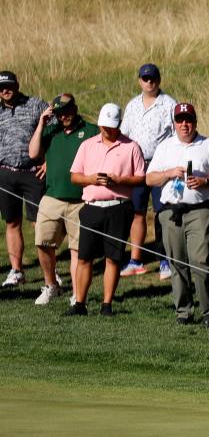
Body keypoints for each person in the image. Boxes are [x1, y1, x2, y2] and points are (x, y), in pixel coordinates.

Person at [146, 103, 209, 327]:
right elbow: (149, 179)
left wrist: (205, 181)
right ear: (174, 123)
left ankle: (208, 311)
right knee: (176, 263)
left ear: (195, 122)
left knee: (200, 261)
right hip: (171, 212)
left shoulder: (208, 144)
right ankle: (183, 311)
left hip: (200, 211)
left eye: (188, 120)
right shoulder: (165, 147)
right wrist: (168, 173)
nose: (185, 124)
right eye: (180, 120)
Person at [67, 103, 146, 317]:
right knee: (84, 257)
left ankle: (106, 304)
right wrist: (91, 179)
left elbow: (141, 178)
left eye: (112, 127)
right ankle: (80, 303)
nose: (108, 130)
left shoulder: (131, 146)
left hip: (118, 208)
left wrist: (119, 180)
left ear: (119, 125)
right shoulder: (87, 145)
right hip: (92, 208)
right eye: (104, 126)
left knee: (113, 257)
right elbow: (74, 176)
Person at [27, 94, 98, 306]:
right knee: (43, 242)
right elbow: (33, 153)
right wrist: (41, 123)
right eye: (60, 113)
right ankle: (51, 285)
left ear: (75, 108)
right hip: (52, 196)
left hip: (81, 199)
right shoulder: (51, 130)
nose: (64, 116)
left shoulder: (91, 130)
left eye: (67, 111)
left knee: (77, 249)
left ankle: (77, 295)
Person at [119, 63, 177, 280]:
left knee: (162, 213)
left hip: (159, 165)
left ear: (159, 80)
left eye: (152, 78)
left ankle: (166, 260)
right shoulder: (132, 105)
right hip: (136, 165)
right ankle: (135, 260)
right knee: (137, 212)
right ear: (139, 81)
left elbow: (176, 136)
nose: (149, 82)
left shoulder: (169, 104)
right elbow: (124, 134)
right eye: (145, 79)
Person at [0, 71, 46, 288]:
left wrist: (49, 162)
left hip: (33, 172)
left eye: (8, 86)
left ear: (17, 85)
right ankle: (17, 270)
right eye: (1, 88)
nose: (5, 91)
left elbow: (56, 130)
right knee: (12, 222)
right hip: (6, 173)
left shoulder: (35, 105)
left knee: (41, 223)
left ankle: (50, 271)